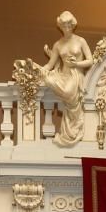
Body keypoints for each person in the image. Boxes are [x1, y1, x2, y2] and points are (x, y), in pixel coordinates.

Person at [37, 11, 93, 146]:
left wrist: (76, 64)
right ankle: (70, 130)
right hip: (63, 75)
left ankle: (73, 129)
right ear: (60, 26)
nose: (66, 28)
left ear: (73, 25)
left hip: (76, 75)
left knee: (68, 92)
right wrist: (39, 70)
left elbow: (90, 61)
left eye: (69, 25)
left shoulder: (80, 41)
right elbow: (50, 64)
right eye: (64, 25)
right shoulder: (58, 44)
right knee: (48, 79)